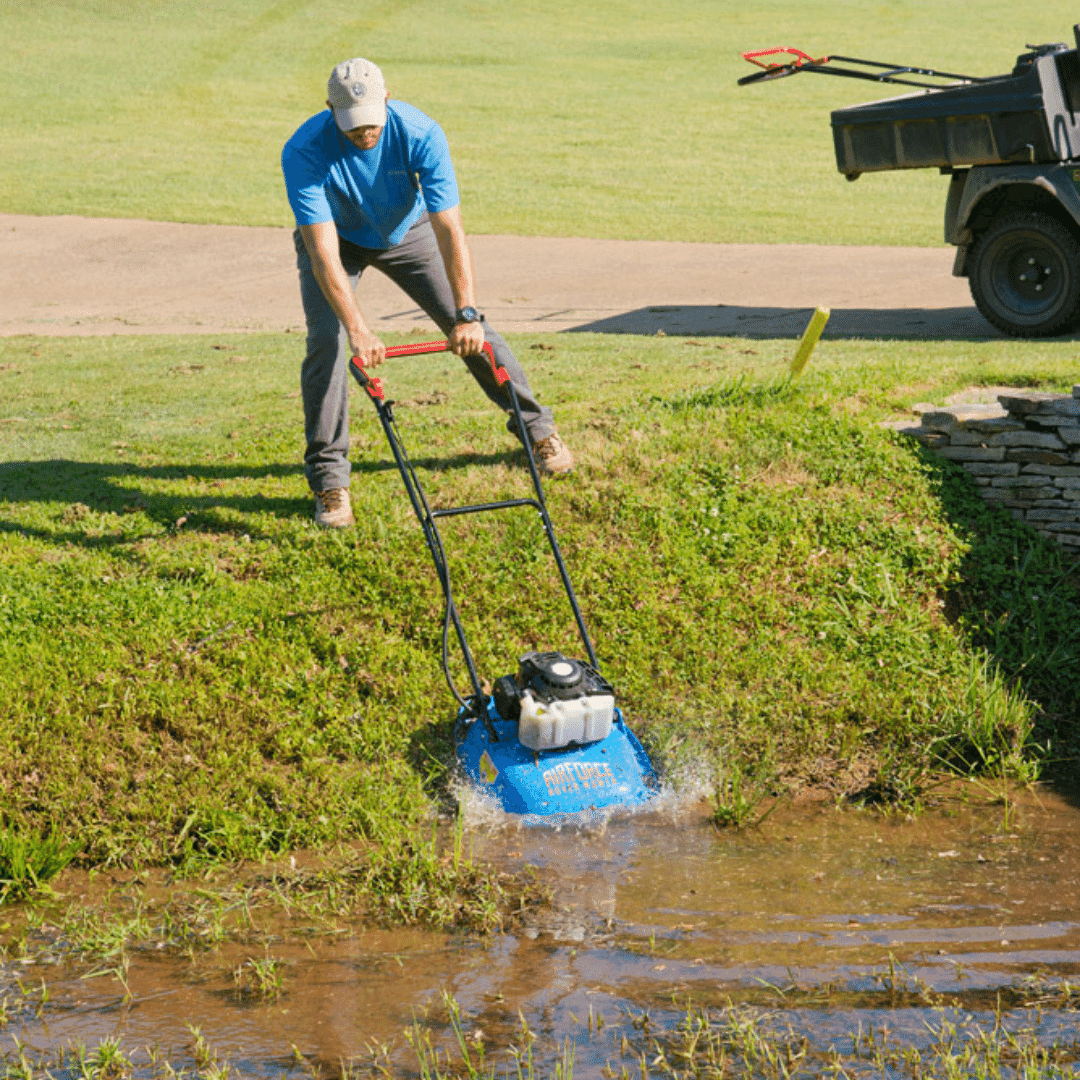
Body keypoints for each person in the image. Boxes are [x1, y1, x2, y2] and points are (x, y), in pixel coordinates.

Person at [281, 58, 573, 529]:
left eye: (372, 123)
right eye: (353, 127)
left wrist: (467, 312)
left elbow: (449, 229)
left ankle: (538, 430)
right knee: (328, 343)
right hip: (337, 240)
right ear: (330, 110)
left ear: (388, 100)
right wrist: (357, 327)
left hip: (407, 230)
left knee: (473, 330)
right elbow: (321, 252)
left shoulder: (420, 132)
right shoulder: (303, 150)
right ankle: (330, 482)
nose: (364, 134)